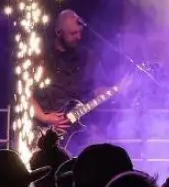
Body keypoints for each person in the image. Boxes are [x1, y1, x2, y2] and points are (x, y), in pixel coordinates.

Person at [30, 10, 123, 154]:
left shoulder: (89, 58)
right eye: (73, 33)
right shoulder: (41, 58)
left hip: (79, 134)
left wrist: (116, 91)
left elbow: (98, 89)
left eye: (79, 32)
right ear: (59, 33)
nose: (79, 37)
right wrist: (45, 117)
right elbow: (25, 96)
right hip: (43, 133)